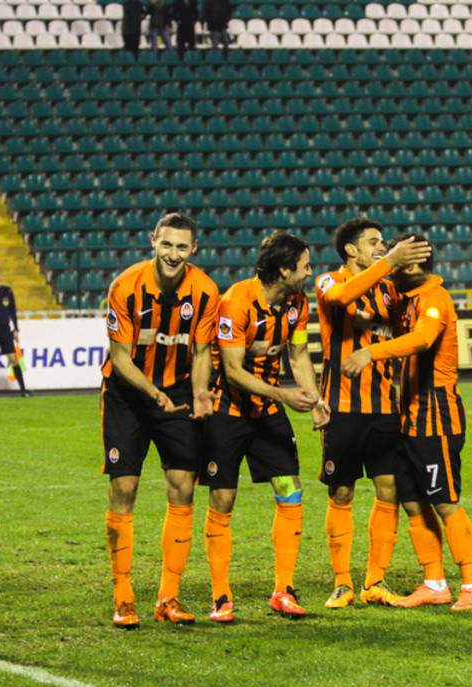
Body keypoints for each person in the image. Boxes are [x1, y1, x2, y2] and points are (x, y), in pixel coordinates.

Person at [342, 233, 472, 612]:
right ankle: (434, 583)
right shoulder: (405, 298)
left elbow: (422, 340)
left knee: (444, 501)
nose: (390, 266)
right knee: (412, 501)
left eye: (397, 259)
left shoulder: (434, 298)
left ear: (414, 263)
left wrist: (370, 353)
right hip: (408, 414)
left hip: (436, 413)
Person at [101, 213, 219, 628]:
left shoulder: (205, 291)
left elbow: (202, 352)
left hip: (180, 393)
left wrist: (200, 393)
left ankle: (168, 597)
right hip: (128, 395)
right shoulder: (125, 287)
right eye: (166, 244)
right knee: (124, 488)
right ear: (153, 241)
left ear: (194, 249)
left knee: (183, 487)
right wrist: (155, 396)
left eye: (182, 246)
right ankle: (123, 597)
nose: (173, 254)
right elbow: (120, 358)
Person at [199, 231, 324, 623]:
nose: (309, 272)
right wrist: (284, 395)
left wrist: (316, 399)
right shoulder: (236, 302)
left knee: (290, 490)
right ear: (284, 270)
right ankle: (221, 597)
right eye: (304, 265)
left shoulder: (297, 304)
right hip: (227, 411)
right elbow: (232, 371)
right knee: (223, 499)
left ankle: (283, 590)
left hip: (267, 410)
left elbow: (298, 354)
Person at [313, 218, 432, 610]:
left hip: (385, 407)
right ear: (351, 249)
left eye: (384, 242)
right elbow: (341, 297)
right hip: (342, 407)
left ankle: (374, 581)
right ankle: (341, 583)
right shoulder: (329, 280)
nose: (382, 247)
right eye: (374, 242)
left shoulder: (389, 289)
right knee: (341, 491)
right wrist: (390, 261)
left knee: (389, 491)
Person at [0, 267, 28, 398]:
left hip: (5, 330)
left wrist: (16, 328)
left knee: (14, 359)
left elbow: (12, 311)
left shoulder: (7, 291)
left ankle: (23, 390)